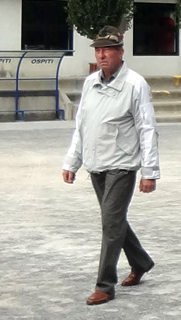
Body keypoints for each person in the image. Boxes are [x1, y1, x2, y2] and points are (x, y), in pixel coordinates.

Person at [62, 25, 159, 306]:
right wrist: (72, 161)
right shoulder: (90, 83)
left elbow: (147, 129)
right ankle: (141, 262)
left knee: (110, 223)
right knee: (113, 220)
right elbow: (82, 126)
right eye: (98, 50)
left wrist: (149, 172)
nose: (102, 55)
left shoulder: (135, 84)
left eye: (108, 50)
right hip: (96, 164)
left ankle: (105, 285)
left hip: (122, 164)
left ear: (120, 52)